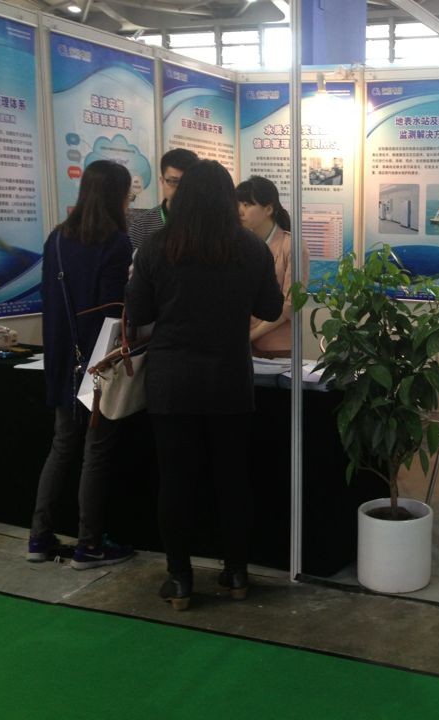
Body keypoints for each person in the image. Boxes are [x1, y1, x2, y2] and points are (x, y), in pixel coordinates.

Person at [125, 160, 283, 610]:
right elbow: (272, 309)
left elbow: (139, 314)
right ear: (227, 199)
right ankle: (236, 574)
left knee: (175, 483)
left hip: (171, 383)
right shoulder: (250, 248)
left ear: (184, 195)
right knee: (232, 480)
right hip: (229, 382)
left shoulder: (157, 247)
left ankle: (179, 579)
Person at [28, 159, 136, 570]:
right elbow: (113, 312)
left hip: (61, 359)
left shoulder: (57, 238)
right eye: (127, 195)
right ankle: (89, 544)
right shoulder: (116, 243)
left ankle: (39, 536)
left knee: (61, 446)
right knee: (96, 452)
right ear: (116, 196)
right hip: (98, 363)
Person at [236, 176, 310, 358]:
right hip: (241, 342)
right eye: (238, 204)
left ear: (268, 209)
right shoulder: (242, 244)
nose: (240, 211)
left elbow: (291, 304)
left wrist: (251, 335)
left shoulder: (291, 245)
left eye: (247, 205)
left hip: (276, 346)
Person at [127, 148, 198, 251]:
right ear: (162, 181)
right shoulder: (142, 226)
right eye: (174, 181)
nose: (181, 189)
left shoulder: (204, 222)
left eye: (187, 183)